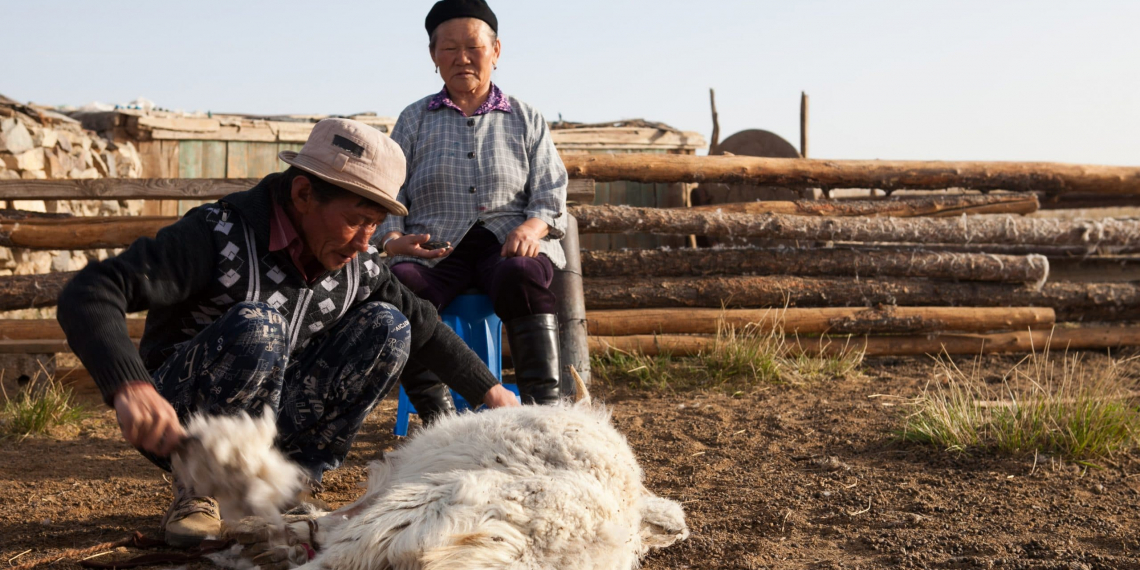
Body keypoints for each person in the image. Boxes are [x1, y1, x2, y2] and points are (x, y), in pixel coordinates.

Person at [57, 118, 519, 548]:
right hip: (179, 423)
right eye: (356, 219)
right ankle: (202, 490)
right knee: (261, 325)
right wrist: (130, 386)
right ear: (302, 194)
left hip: (272, 425)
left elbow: (425, 328)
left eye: (375, 226)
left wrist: (492, 392)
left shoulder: (358, 267)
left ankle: (284, 484)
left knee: (390, 326)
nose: (364, 241)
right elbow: (91, 291)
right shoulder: (216, 235)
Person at [378, 0, 569, 422]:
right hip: (433, 247)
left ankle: (545, 415)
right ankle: (439, 418)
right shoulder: (413, 120)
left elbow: (550, 190)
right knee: (405, 286)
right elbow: (388, 193)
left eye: (473, 46)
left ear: (496, 51)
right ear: (433, 56)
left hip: (503, 244)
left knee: (523, 274)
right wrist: (393, 239)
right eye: (448, 48)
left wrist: (533, 228)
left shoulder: (525, 118)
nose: (461, 58)